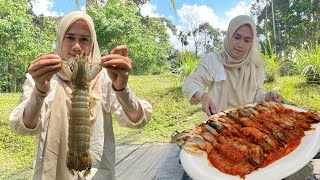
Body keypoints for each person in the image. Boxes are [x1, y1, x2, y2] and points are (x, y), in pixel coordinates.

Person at [9, 11, 152, 180]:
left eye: (84, 39)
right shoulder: (44, 78)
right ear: (60, 39)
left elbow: (137, 119)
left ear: (93, 44)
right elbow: (24, 126)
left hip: (96, 173)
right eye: (69, 37)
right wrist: (40, 91)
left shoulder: (105, 76)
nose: (77, 46)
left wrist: (122, 87)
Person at [182, 15, 282, 121]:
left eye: (247, 40)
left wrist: (267, 96)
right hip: (216, 126)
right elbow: (191, 84)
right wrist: (202, 96)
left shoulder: (254, 66)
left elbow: (254, 96)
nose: (240, 44)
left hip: (246, 126)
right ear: (229, 35)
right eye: (237, 37)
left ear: (252, 43)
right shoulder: (213, 61)